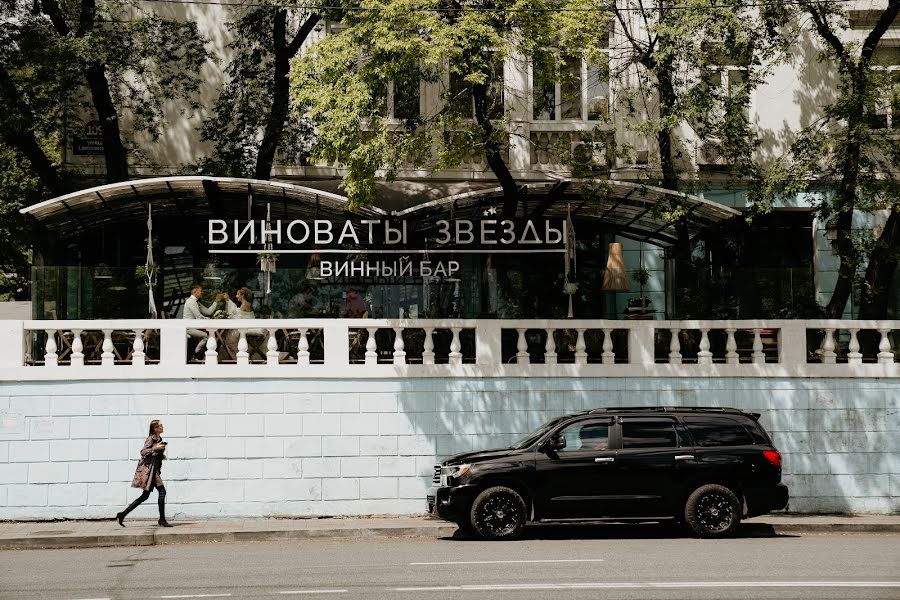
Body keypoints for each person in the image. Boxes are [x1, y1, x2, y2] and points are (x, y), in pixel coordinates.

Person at [116, 419, 172, 527]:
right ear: (155, 428)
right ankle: (162, 520)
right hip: (150, 471)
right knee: (162, 492)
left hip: (155, 470)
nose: (162, 427)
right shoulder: (150, 439)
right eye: (160, 425)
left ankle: (122, 514)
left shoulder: (159, 438)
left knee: (144, 496)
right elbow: (143, 452)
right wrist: (155, 448)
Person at [184, 283, 224, 357]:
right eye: (200, 291)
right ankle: (196, 354)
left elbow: (208, 312)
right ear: (195, 291)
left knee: (211, 333)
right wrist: (208, 319)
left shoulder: (197, 302)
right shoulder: (190, 302)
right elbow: (199, 317)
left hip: (195, 327)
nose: (201, 292)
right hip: (189, 328)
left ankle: (197, 354)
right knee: (207, 336)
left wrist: (216, 301)